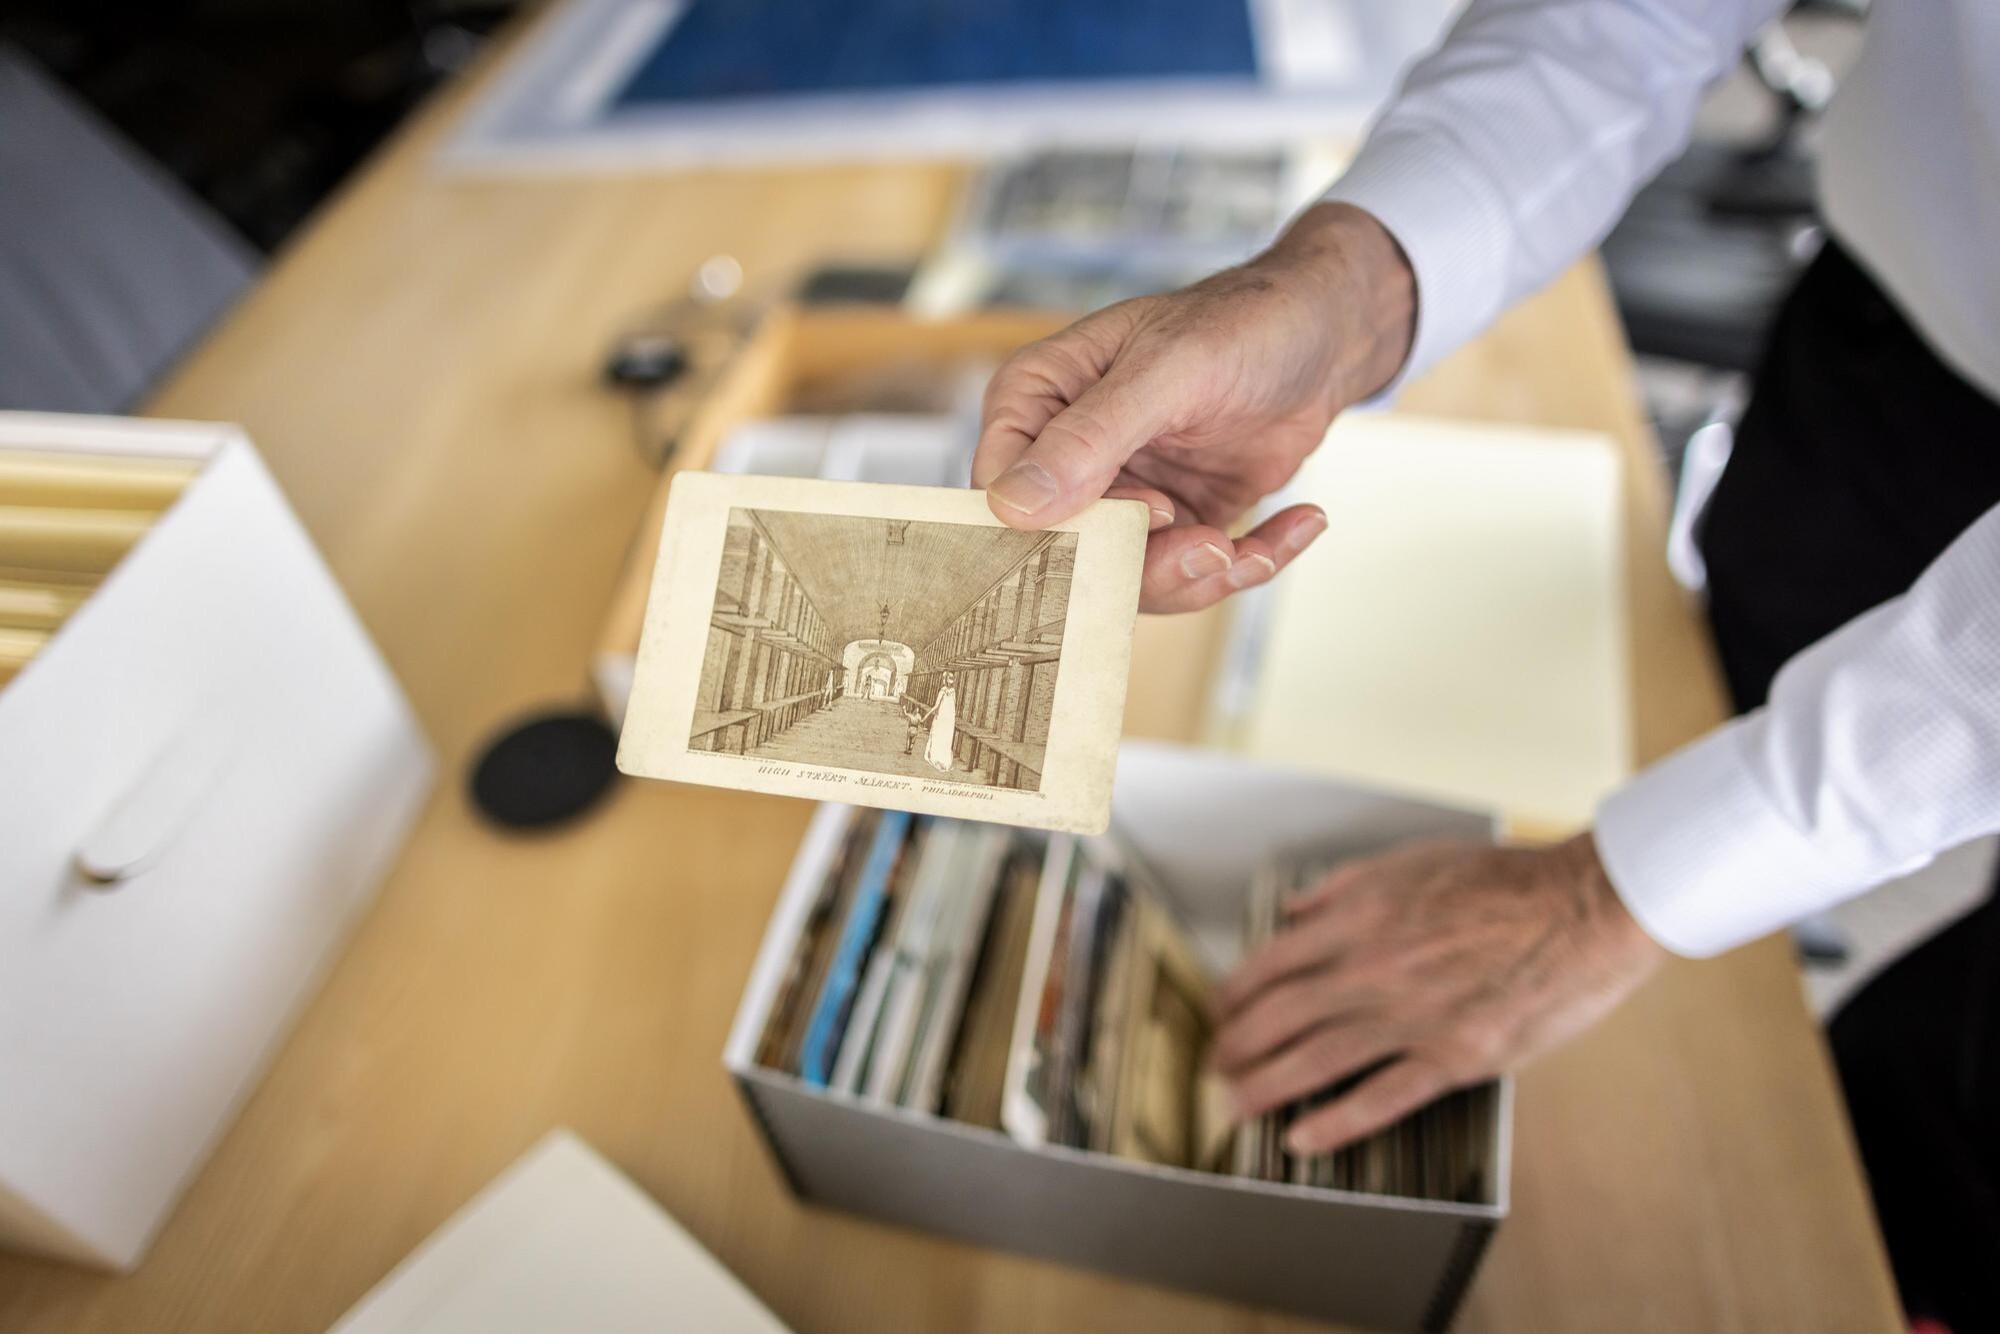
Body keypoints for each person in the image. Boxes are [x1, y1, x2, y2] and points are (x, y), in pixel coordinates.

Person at [973, 2, 1998, 1325]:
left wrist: (1622, 889)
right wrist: (1339, 294)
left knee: (1942, 1152)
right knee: (1796, 970)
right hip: (1906, 314)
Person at [922, 673, 958, 772]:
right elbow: (954, 706)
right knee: (946, 738)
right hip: (949, 720)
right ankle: (944, 761)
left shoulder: (943, 690)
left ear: (944, 680)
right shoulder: (953, 691)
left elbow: (936, 705)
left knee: (938, 736)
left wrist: (926, 715)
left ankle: (937, 759)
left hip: (942, 718)